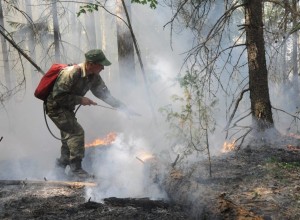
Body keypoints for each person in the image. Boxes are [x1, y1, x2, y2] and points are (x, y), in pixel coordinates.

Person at [45, 49, 135, 180]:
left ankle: (59, 170)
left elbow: (105, 95)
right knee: (76, 133)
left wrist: (122, 107)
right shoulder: (72, 73)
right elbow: (58, 96)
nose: (103, 68)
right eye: (101, 65)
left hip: (67, 109)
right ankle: (76, 170)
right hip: (56, 107)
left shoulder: (93, 77)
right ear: (91, 64)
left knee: (68, 138)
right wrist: (80, 100)